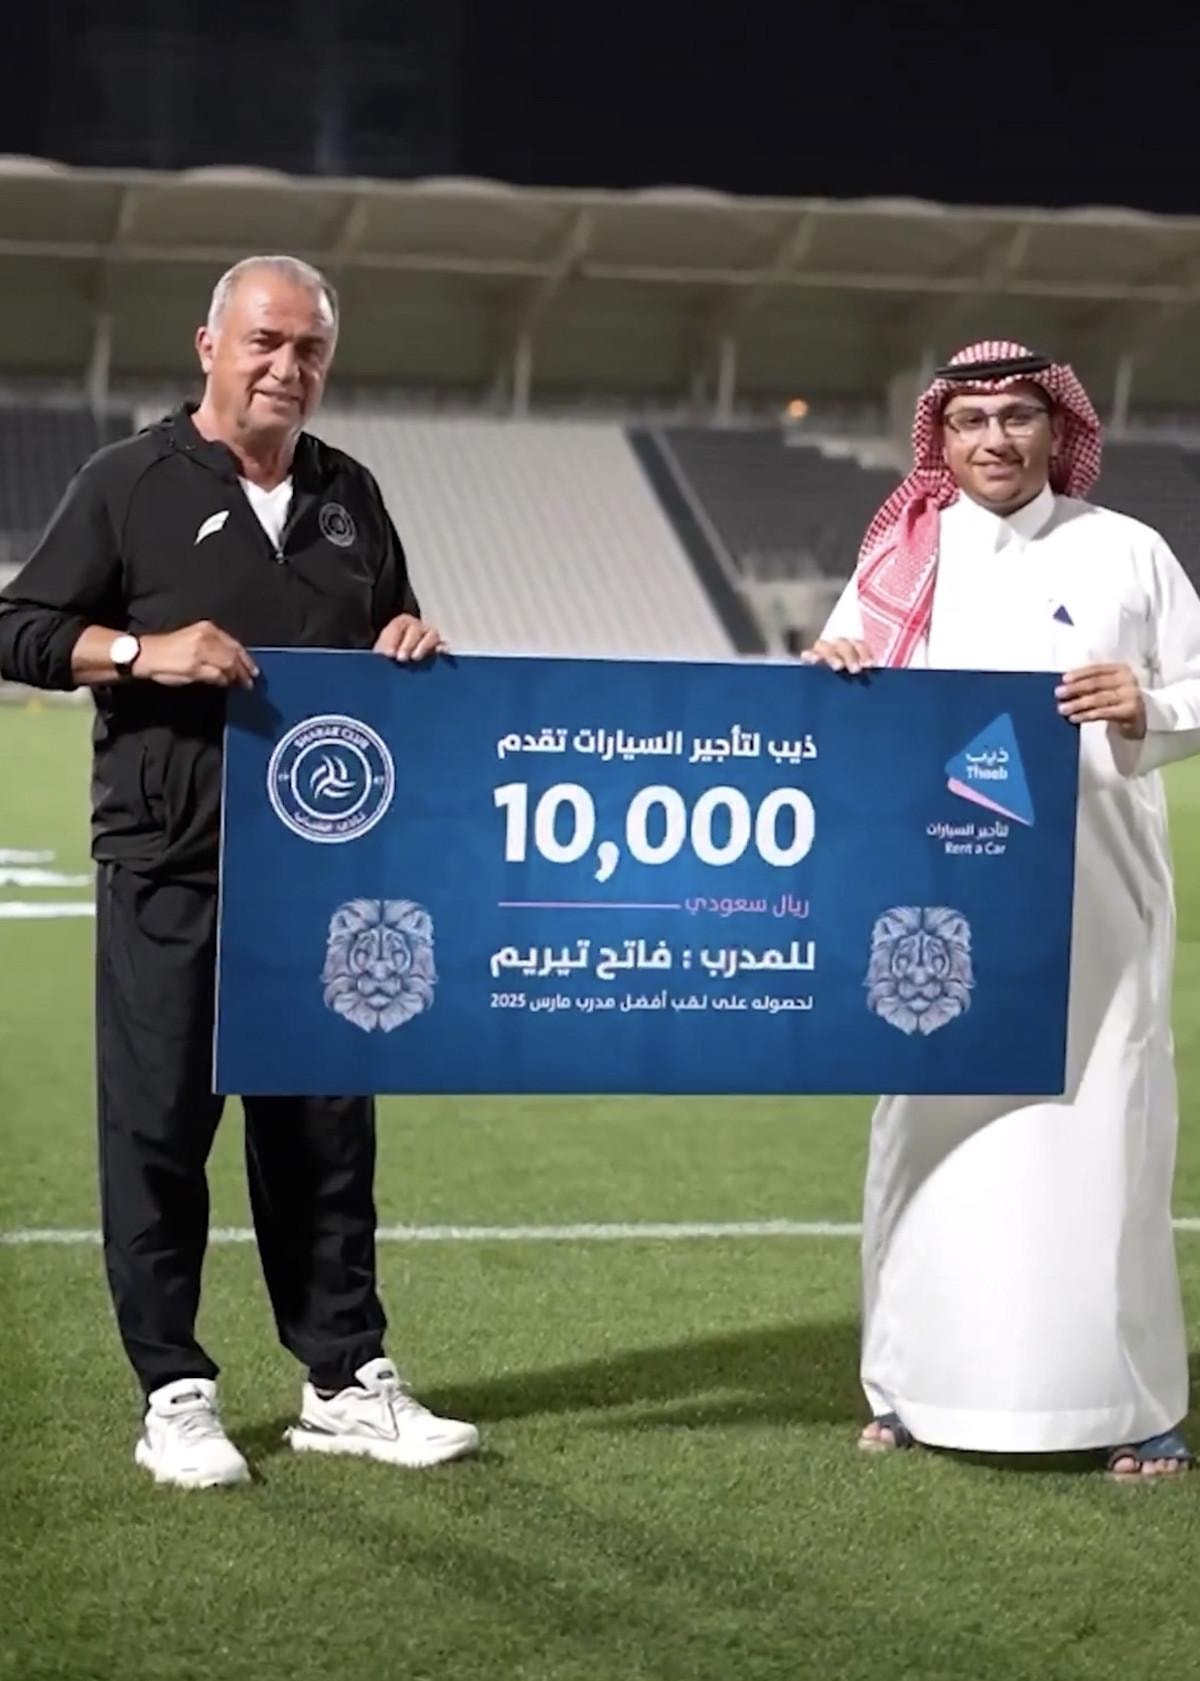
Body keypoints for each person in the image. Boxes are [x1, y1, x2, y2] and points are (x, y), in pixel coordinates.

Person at [0, 255, 480, 1488]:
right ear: (208, 344)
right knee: (160, 1128)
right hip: (172, 861)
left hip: (324, 879)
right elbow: (17, 627)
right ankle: (174, 1392)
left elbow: (389, 630)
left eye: (310, 347)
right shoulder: (129, 480)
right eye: (266, 340)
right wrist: (141, 651)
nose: (288, 366)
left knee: (325, 1134)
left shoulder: (349, 493)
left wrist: (407, 639)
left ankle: (343, 1380)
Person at [804, 339, 1200, 1478]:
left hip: (1096, 910)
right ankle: (908, 1386)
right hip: (935, 912)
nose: (995, 438)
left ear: (1056, 428)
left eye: (1018, 415)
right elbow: (841, 688)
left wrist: (1148, 701)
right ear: (940, 434)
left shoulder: (1127, 549)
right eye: (971, 419)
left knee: (1104, 1139)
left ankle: (1133, 1404)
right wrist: (833, 673)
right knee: (927, 1140)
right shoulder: (900, 560)